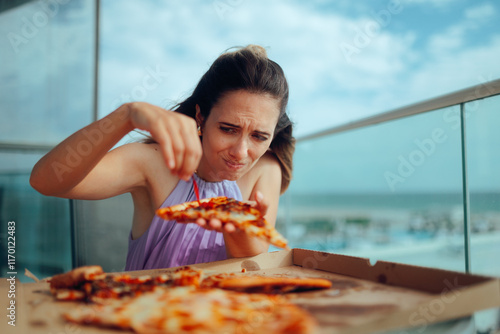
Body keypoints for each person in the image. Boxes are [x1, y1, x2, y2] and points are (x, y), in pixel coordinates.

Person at [30, 45, 295, 270]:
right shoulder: (154, 163)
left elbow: (252, 262)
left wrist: (236, 228)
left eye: (259, 136)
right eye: (228, 129)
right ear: (201, 117)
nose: (240, 152)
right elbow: (46, 182)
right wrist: (126, 117)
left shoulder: (266, 168)